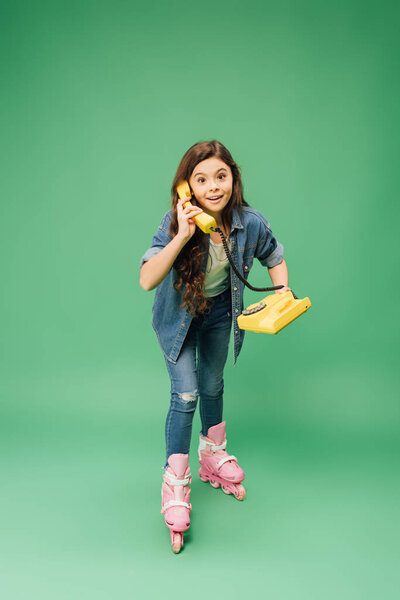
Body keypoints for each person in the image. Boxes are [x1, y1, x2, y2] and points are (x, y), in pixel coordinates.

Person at [139, 140, 290, 553]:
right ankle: (175, 482)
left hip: (222, 312)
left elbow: (274, 256)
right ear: (187, 186)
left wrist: (281, 294)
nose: (213, 186)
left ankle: (213, 455)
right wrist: (184, 234)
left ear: (233, 179)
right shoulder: (174, 221)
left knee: (213, 385)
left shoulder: (249, 222)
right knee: (185, 395)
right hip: (181, 318)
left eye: (220, 176)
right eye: (200, 179)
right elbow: (146, 279)